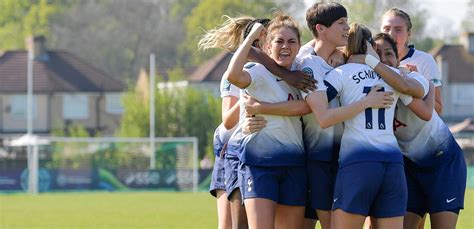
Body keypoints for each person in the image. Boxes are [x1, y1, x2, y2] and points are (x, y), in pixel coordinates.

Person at [312, 23, 429, 229]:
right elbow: (420, 93)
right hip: (393, 164)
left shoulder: (340, 73)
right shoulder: (393, 75)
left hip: (358, 163)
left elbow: (312, 106)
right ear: (371, 47)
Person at [224, 13, 314, 228]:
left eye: (292, 41)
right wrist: (250, 37)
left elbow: (307, 106)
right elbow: (232, 76)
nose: (285, 46)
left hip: (293, 164)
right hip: (259, 164)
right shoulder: (258, 72)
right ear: (266, 46)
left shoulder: (304, 74)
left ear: (299, 46)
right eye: (279, 41)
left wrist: (263, 108)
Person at [374, 32, 467, 229]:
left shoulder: (409, 78)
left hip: (443, 163)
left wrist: (430, 85)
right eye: (376, 54)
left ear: (398, 59)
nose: (383, 60)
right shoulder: (365, 88)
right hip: (410, 167)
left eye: (389, 54)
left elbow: (426, 113)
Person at [200, 16, 269, 229]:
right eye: (270, 38)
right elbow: (228, 121)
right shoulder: (238, 73)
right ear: (256, 43)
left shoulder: (277, 72)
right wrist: (248, 98)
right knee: (228, 224)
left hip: (259, 148)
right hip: (229, 147)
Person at [381, 8, 443, 114]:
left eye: (398, 29)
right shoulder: (374, 61)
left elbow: (438, 109)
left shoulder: (425, 60)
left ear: (408, 34)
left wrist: (418, 84)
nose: (391, 34)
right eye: (386, 29)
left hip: (420, 131)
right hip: (387, 130)